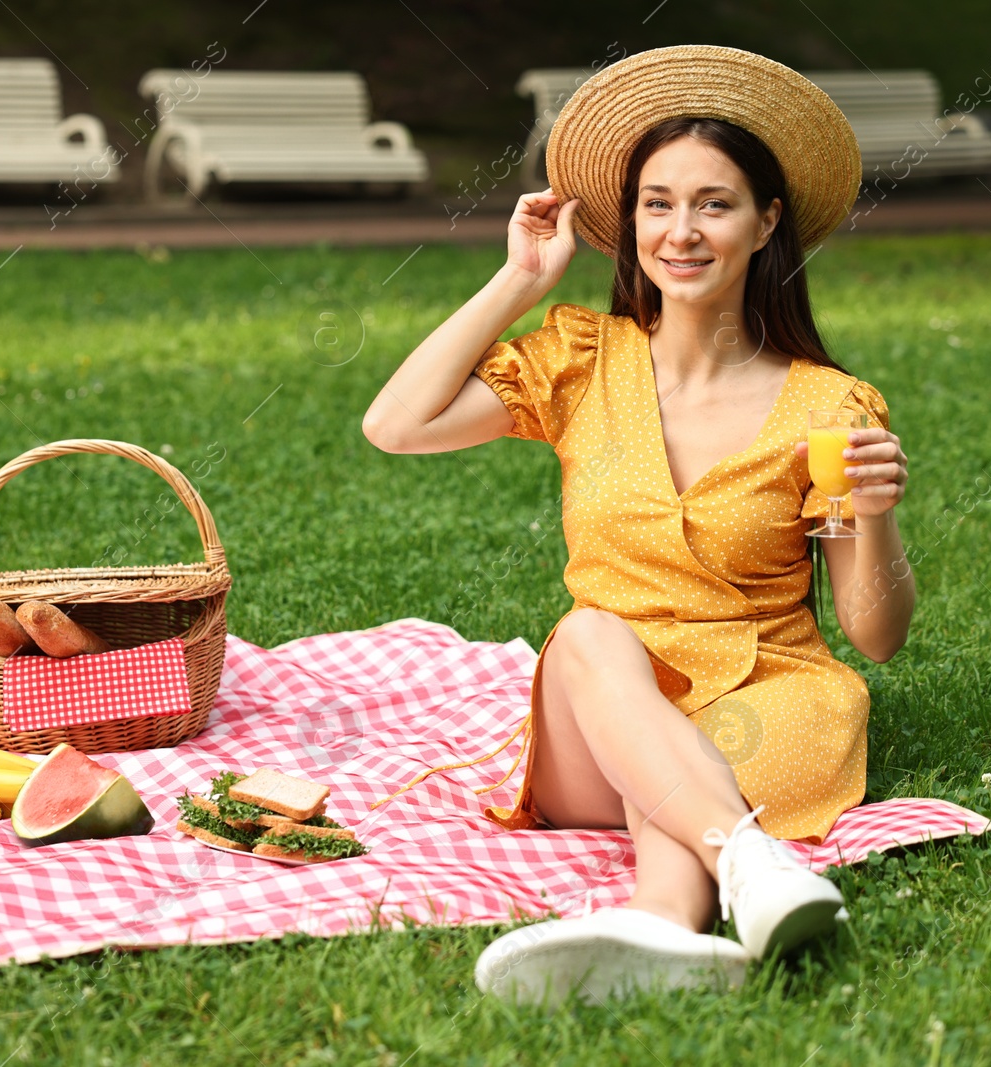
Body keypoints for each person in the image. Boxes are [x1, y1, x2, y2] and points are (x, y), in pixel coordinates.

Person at [362, 45, 914, 1003]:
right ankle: (752, 862)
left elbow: (877, 635)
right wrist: (519, 283)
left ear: (765, 221)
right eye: (657, 203)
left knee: (676, 761)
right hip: (599, 713)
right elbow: (395, 424)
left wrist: (877, 519)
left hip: (769, 702)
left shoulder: (830, 407)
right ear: (629, 225)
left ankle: (668, 923)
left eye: (714, 203)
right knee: (585, 634)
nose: (682, 231)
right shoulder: (582, 360)